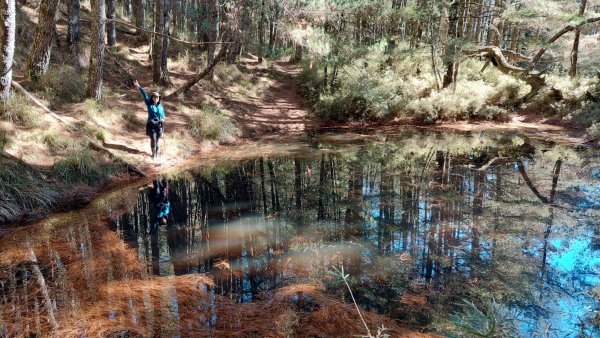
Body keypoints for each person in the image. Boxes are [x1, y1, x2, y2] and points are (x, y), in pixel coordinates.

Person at [133, 80, 165, 159]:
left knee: (157, 140)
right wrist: (139, 87)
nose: (156, 99)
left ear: (159, 98)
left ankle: (156, 153)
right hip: (151, 125)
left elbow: (163, 116)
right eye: (154, 97)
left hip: (159, 126)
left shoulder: (161, 106)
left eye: (157, 97)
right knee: (153, 139)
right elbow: (144, 94)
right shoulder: (149, 103)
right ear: (152, 97)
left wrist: (162, 120)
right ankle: (154, 154)